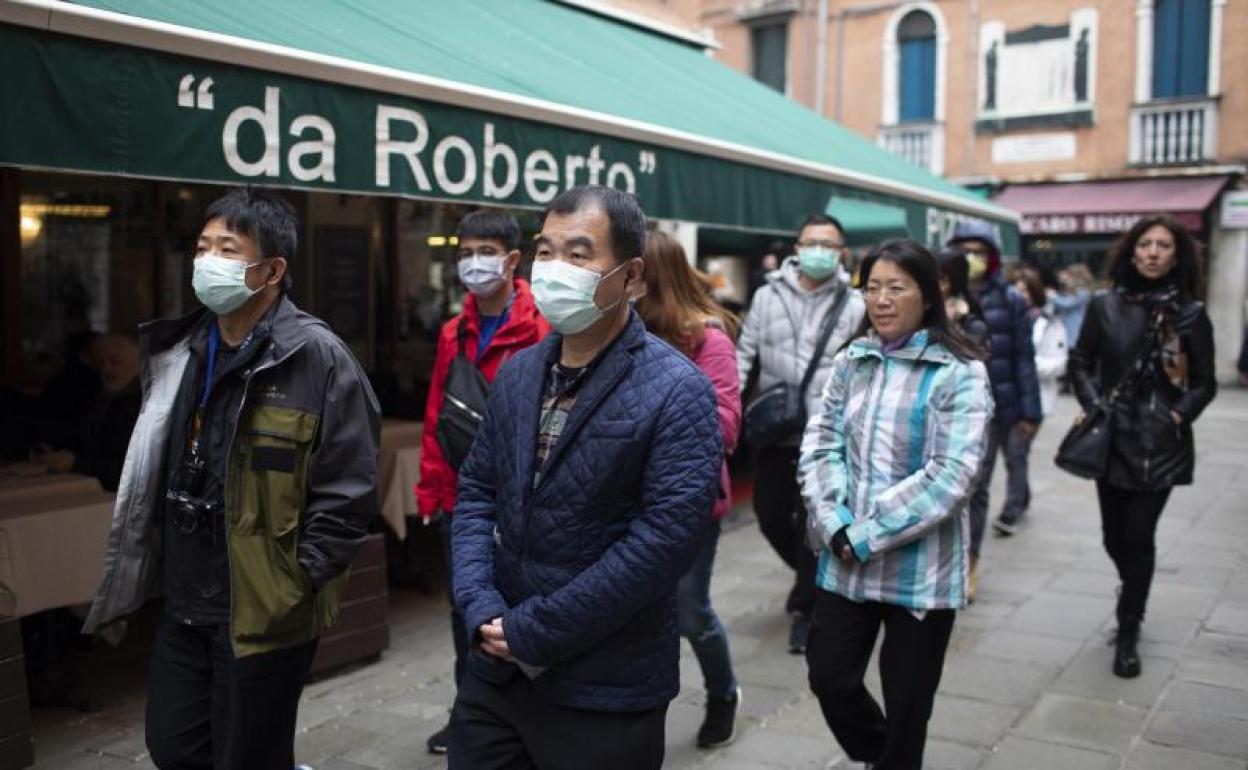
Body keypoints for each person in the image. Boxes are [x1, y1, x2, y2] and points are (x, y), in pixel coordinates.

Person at [83, 188, 381, 770]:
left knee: (248, 755)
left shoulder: (317, 357)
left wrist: (294, 584)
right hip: (184, 598)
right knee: (173, 746)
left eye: (227, 248)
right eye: (202, 247)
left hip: (264, 608)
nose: (207, 261)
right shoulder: (179, 350)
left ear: (272, 270)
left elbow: (350, 490)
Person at [448, 186, 722, 770]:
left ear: (632, 276)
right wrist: (479, 605)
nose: (554, 270)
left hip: (606, 686)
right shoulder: (521, 372)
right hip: (495, 675)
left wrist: (536, 631)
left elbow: (662, 544)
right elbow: (475, 493)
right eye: (546, 252)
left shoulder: (678, 390)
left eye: (578, 254)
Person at [800, 240, 992, 770]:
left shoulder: (959, 370)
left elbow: (951, 475)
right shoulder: (852, 360)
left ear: (928, 296)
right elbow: (821, 444)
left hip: (921, 574)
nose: (881, 300)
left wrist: (867, 533)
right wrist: (834, 520)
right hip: (845, 559)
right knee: (830, 678)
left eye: (896, 288)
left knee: (908, 707)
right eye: (872, 288)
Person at [416, 210, 550, 755]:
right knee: (465, 611)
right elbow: (437, 412)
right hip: (461, 497)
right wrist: (430, 488)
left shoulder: (542, 324)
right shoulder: (454, 331)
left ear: (513, 259)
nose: (474, 263)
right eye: (466, 252)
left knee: (522, 605)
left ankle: (528, 719)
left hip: (523, 498)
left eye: (486, 251)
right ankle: (468, 714)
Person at [1067, 215, 1216, 679]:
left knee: (1139, 537)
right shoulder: (1105, 306)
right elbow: (1080, 362)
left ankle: (1129, 625)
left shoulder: (1190, 314)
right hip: (1113, 439)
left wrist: (1177, 416)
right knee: (1114, 537)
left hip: (1161, 444)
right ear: (1131, 252)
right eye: (1145, 244)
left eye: (1163, 246)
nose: (1153, 252)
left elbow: (1205, 382)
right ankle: (1131, 586)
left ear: (1177, 256)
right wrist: (1094, 406)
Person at [736, 213, 865, 654]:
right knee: (770, 515)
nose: (819, 252)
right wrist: (728, 409)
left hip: (829, 436)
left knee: (815, 523)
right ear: (797, 248)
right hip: (777, 428)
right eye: (812, 243)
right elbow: (744, 355)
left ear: (841, 253)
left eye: (829, 245)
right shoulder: (767, 296)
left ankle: (807, 609)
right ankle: (817, 578)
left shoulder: (855, 303)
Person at [635, 230, 742, 748]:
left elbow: (725, 428)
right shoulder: (614, 335)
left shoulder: (708, 340)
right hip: (627, 502)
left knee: (689, 612)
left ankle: (723, 692)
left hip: (688, 505)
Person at [947, 221, 1041, 542]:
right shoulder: (943, 298)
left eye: (979, 252)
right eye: (965, 252)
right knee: (974, 480)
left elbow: (1024, 356)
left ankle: (1012, 509)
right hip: (960, 405)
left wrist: (1030, 411)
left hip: (1005, 403)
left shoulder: (1010, 298)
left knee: (1013, 460)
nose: (972, 258)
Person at [34, 333, 142, 492]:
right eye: (101, 363)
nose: (106, 369)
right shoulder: (108, 399)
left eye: (115, 361)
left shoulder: (148, 405)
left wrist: (76, 463)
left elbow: (140, 473)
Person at [1015, 267, 1068, 418]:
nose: (1019, 296)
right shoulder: (1004, 321)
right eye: (1016, 291)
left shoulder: (1049, 323)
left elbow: (1059, 364)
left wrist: (1026, 364)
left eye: (1024, 290)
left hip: (1037, 397)